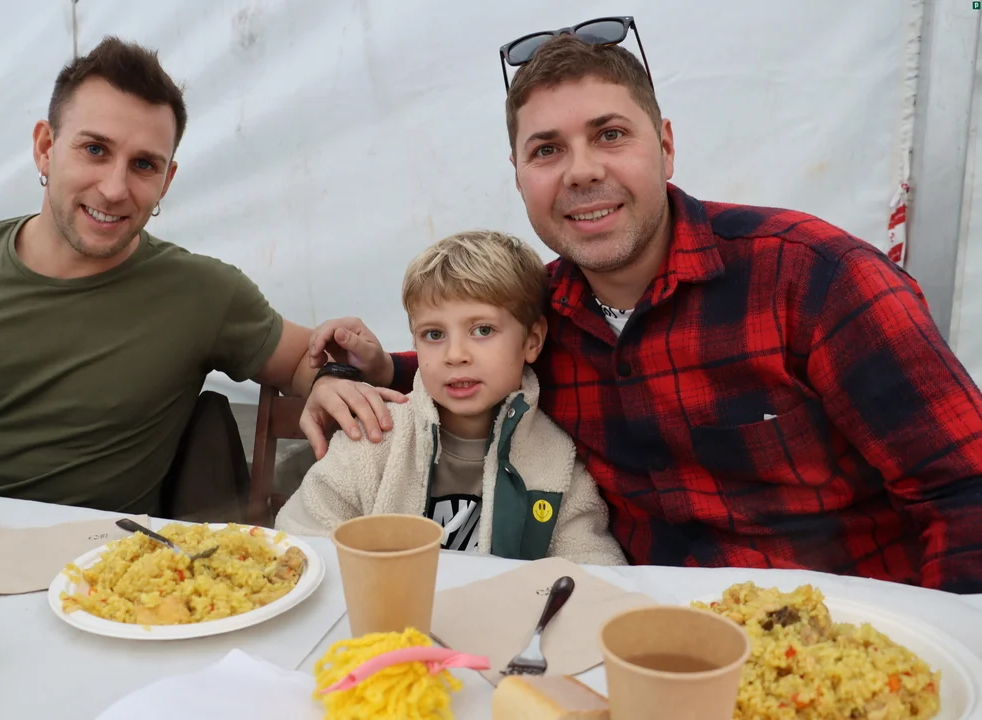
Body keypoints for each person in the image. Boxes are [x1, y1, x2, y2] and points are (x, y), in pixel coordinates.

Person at [300, 30, 982, 592]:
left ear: (667, 147)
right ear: (519, 177)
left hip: (840, 641)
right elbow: (468, 359)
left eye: (610, 135)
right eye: (547, 150)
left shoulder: (814, 279)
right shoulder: (544, 311)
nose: (581, 171)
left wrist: (950, 656)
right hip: (637, 641)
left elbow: (965, 491)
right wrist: (355, 375)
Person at [0, 37, 357, 514]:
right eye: (95, 149)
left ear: (167, 180)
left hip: (117, 557)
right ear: (45, 148)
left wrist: (331, 378)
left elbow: (305, 360)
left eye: (143, 165)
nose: (115, 188)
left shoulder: (202, 293)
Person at [276, 230, 625, 565]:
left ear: (532, 341)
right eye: (434, 334)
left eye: (483, 330)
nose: (455, 355)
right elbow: (299, 541)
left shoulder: (558, 460)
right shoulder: (374, 439)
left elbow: (594, 566)